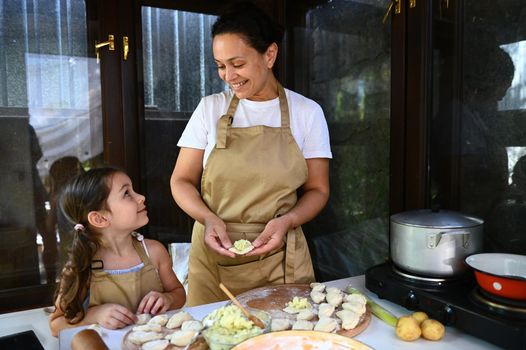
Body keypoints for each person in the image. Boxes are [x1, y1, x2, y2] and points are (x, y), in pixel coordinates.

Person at [170, 2, 332, 306]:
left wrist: (287, 221)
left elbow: (318, 189)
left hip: (280, 255)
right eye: (220, 65)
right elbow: (180, 180)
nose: (228, 75)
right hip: (213, 254)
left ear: (269, 55)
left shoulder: (307, 113)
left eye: (237, 63)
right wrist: (207, 218)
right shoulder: (210, 109)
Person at [49, 167, 186, 336]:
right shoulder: (82, 264)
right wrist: (94, 315)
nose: (141, 197)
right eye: (127, 193)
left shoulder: (154, 252)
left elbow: (179, 294)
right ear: (100, 218)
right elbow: (56, 325)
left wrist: (168, 299)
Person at [46, 156, 85, 272]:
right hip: (81, 246)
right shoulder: (78, 194)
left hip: (67, 247)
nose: (81, 172)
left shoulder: (57, 196)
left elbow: (49, 226)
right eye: (77, 169)